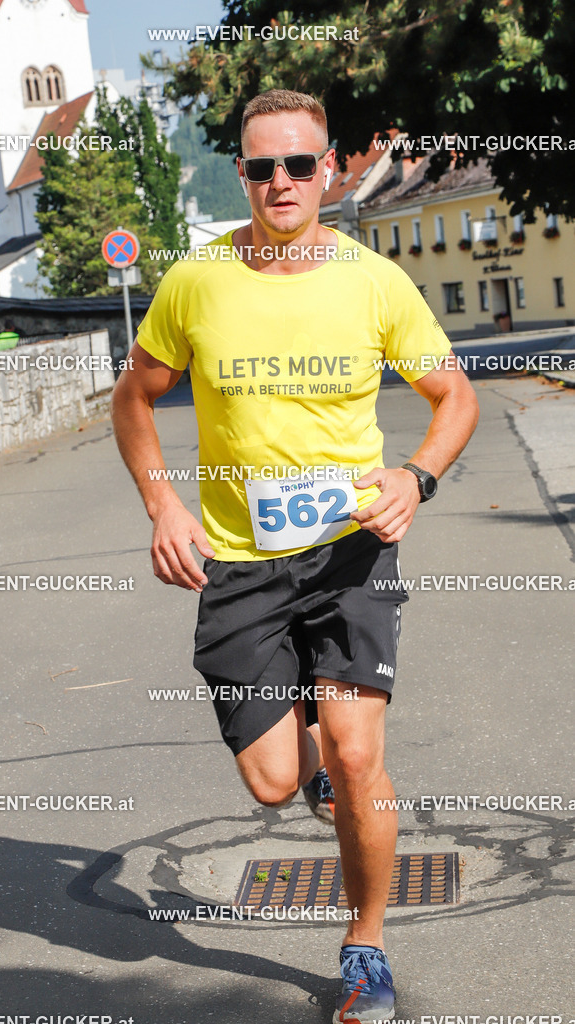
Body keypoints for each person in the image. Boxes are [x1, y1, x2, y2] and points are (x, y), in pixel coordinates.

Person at [111, 89, 479, 1023]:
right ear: (241, 172)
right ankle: (312, 760)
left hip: (349, 552)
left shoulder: (371, 280)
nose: (281, 182)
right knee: (276, 783)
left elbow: (455, 397)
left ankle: (365, 944)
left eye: (300, 165)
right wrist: (163, 502)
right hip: (238, 563)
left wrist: (418, 478)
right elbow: (135, 396)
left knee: (359, 758)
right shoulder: (198, 279)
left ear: (331, 170)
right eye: (262, 166)